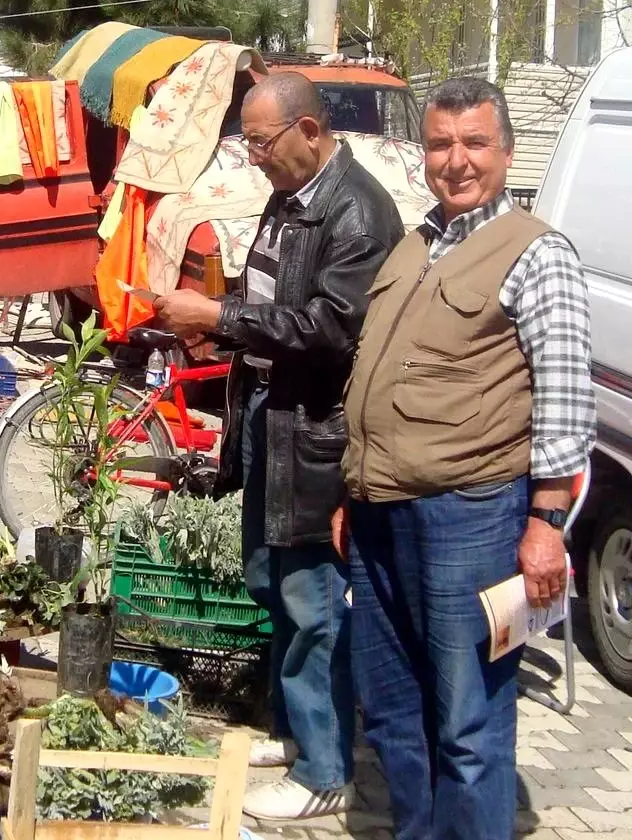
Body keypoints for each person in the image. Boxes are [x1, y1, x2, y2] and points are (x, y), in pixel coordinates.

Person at [339, 77, 596, 840]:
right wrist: (349, 492)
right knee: (392, 712)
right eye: (441, 143)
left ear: (507, 152)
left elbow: (564, 398)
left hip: (471, 518)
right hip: (380, 513)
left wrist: (547, 522)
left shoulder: (537, 253)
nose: (456, 161)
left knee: (468, 723)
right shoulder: (417, 243)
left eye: (474, 143)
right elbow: (378, 373)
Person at [151, 72, 404, 821]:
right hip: (274, 415)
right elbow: (274, 303)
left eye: (262, 143)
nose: (254, 157)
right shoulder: (293, 196)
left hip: (316, 430)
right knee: (272, 579)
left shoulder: (354, 212)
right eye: (249, 143)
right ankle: (295, 735)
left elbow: (330, 329)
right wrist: (215, 319)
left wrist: (220, 316)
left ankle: (326, 771)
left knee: (312, 596)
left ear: (309, 131)